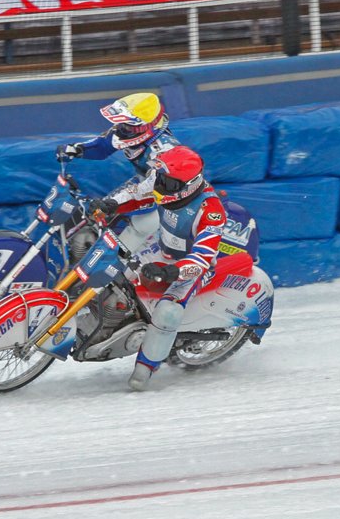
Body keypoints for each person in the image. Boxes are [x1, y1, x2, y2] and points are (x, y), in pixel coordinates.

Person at [97, 146, 249, 391]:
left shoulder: (210, 211)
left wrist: (173, 272)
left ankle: (144, 371)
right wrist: (111, 204)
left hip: (190, 267)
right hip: (161, 248)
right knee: (111, 271)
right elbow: (138, 192)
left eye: (165, 181)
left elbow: (202, 257)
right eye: (159, 177)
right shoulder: (164, 182)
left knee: (168, 311)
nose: (158, 184)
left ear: (186, 185)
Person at [56, 92, 181, 245]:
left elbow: (157, 189)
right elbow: (102, 145)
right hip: (143, 181)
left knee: (142, 225)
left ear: (145, 127)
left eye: (127, 126)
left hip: (165, 198)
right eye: (122, 124)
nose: (121, 129)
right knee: (96, 213)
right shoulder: (127, 132)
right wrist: (76, 149)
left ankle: (119, 262)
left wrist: (115, 203)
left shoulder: (165, 151)